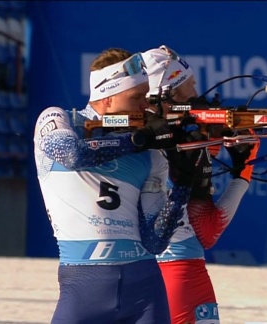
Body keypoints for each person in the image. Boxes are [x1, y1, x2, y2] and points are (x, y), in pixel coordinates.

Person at [33, 48, 198, 323]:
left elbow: (154, 241)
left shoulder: (151, 153)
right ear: (107, 98)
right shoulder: (60, 119)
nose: (145, 107)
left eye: (147, 97)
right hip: (82, 286)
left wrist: (182, 187)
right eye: (136, 98)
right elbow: (72, 155)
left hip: (145, 288)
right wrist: (138, 140)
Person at [141, 45, 260, 324]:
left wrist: (209, 145)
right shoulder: (177, 142)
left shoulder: (132, 136)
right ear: (169, 94)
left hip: (125, 270)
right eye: (189, 86)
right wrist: (245, 169)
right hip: (179, 272)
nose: (196, 92)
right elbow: (208, 230)